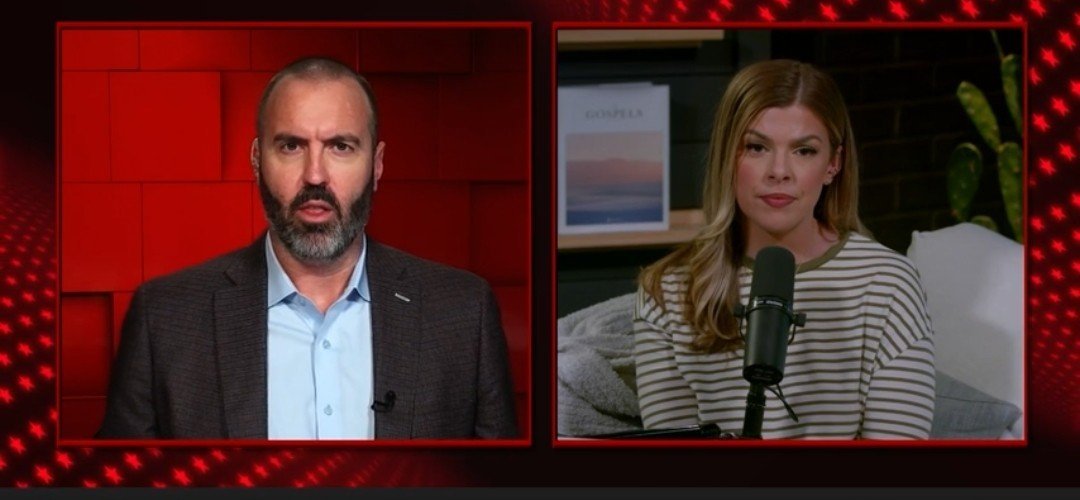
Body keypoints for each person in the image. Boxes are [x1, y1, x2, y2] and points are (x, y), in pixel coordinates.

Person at [97, 57, 517, 440]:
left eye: (341, 146)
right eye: (291, 146)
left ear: (378, 165)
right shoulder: (165, 319)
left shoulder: (463, 313)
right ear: (257, 160)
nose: (315, 175)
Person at [633, 59, 935, 439]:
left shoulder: (888, 285)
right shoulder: (666, 291)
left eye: (804, 151)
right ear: (729, 157)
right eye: (757, 147)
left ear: (833, 164)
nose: (779, 171)